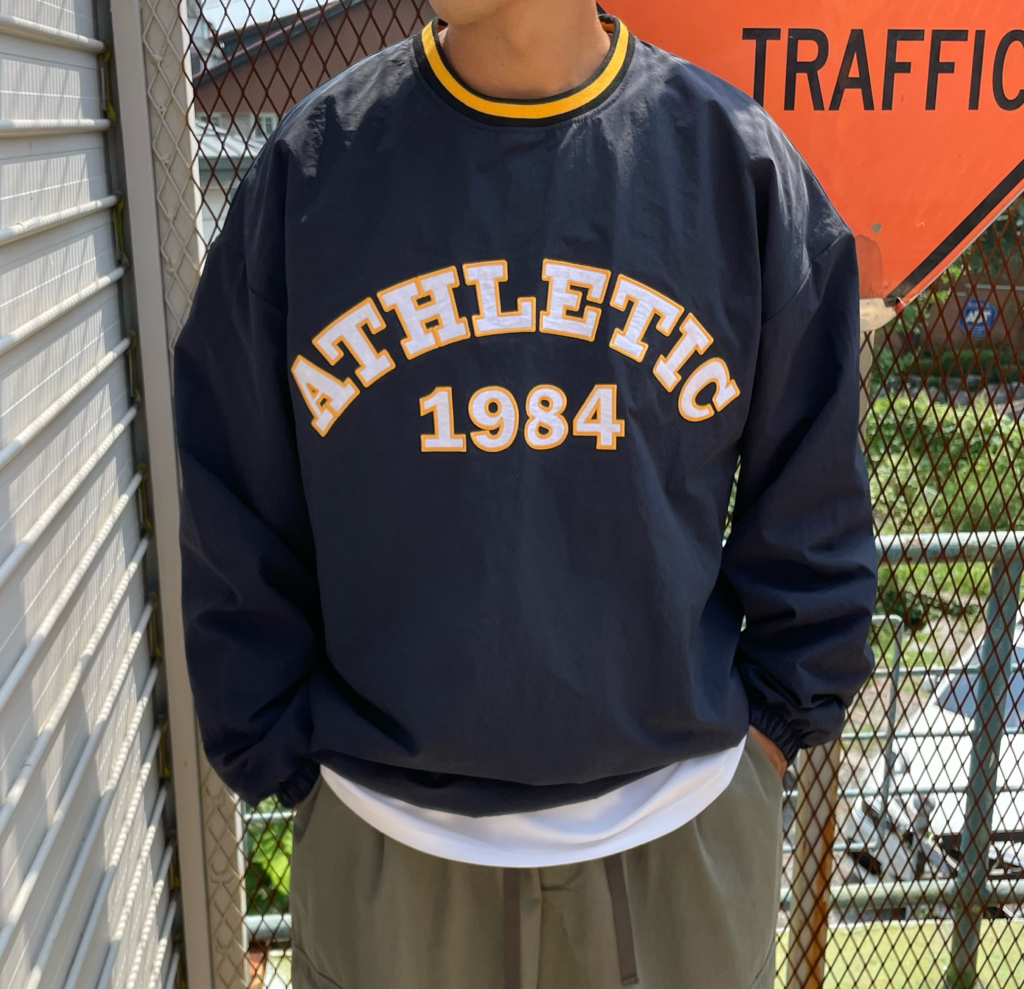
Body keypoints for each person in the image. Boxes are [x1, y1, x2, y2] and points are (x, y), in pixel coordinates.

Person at [173, 0, 878, 985]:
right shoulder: (314, 170)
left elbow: (813, 499)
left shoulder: (734, 167)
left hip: (678, 834)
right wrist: (288, 758)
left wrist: (772, 728)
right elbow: (232, 495)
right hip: (389, 846)